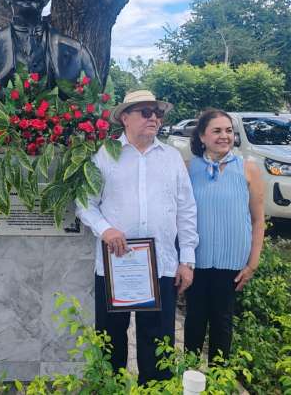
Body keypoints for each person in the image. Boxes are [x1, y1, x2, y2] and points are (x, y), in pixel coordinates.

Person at [76, 89, 198, 384]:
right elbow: (84, 202)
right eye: (145, 112)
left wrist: (187, 261)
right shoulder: (105, 155)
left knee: (157, 343)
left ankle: (153, 390)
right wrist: (106, 229)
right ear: (125, 118)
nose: (154, 118)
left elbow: (186, 211)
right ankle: (111, 389)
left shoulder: (171, 158)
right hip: (116, 266)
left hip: (162, 265)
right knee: (110, 339)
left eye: (157, 112)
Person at [183, 109, 265, 362]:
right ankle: (189, 376)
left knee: (222, 322)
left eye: (229, 130)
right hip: (196, 260)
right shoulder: (188, 169)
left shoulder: (248, 170)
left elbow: (258, 218)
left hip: (231, 263)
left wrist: (253, 262)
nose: (224, 136)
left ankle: (218, 379)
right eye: (217, 131)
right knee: (194, 320)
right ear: (202, 137)